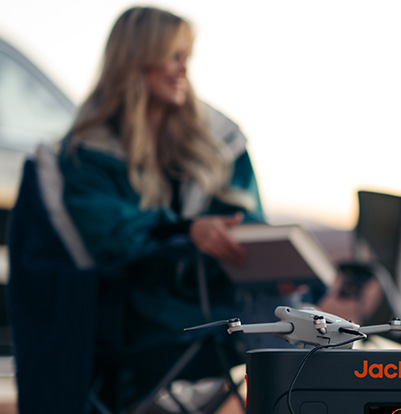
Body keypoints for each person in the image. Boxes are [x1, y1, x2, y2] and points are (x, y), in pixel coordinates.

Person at [59, 5, 292, 347]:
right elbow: (111, 236)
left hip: (218, 295)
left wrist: (271, 268)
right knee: (287, 326)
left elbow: (247, 218)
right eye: (173, 56)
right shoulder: (90, 151)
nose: (184, 68)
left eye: (187, 57)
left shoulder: (217, 140)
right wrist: (188, 231)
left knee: (295, 314)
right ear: (137, 59)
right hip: (140, 316)